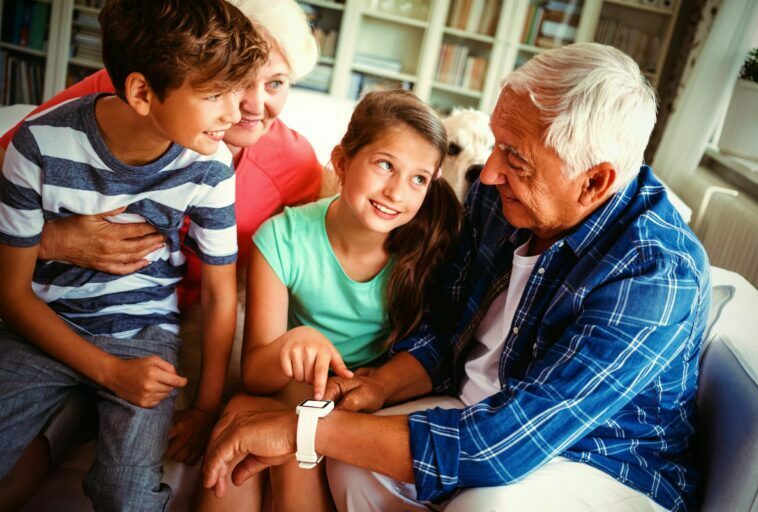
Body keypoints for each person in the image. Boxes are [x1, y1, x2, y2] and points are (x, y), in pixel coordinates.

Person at [201, 43, 711, 512]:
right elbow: (445, 330)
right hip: (480, 406)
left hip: (598, 462)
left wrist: (301, 428)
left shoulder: (655, 273)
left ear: (594, 180)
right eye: (497, 144)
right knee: (351, 461)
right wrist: (377, 385)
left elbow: (505, 444)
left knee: (483, 508)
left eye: (514, 157)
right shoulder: (503, 199)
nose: (487, 173)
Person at [0, 0, 322, 508]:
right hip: (53, 312)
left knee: (124, 482)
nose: (248, 105)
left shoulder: (270, 165)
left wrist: (207, 405)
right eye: (233, 84)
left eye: (276, 83)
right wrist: (55, 240)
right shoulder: (93, 111)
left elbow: (248, 288)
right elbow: (12, 270)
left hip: (153, 325)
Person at [196, 89, 461, 512]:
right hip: (292, 391)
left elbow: (428, 359)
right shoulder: (281, 238)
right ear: (341, 161)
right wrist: (291, 343)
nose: (396, 192)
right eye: (385, 165)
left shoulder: (429, 251)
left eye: (418, 178)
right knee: (241, 417)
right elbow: (255, 376)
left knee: (292, 452)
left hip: (366, 402)